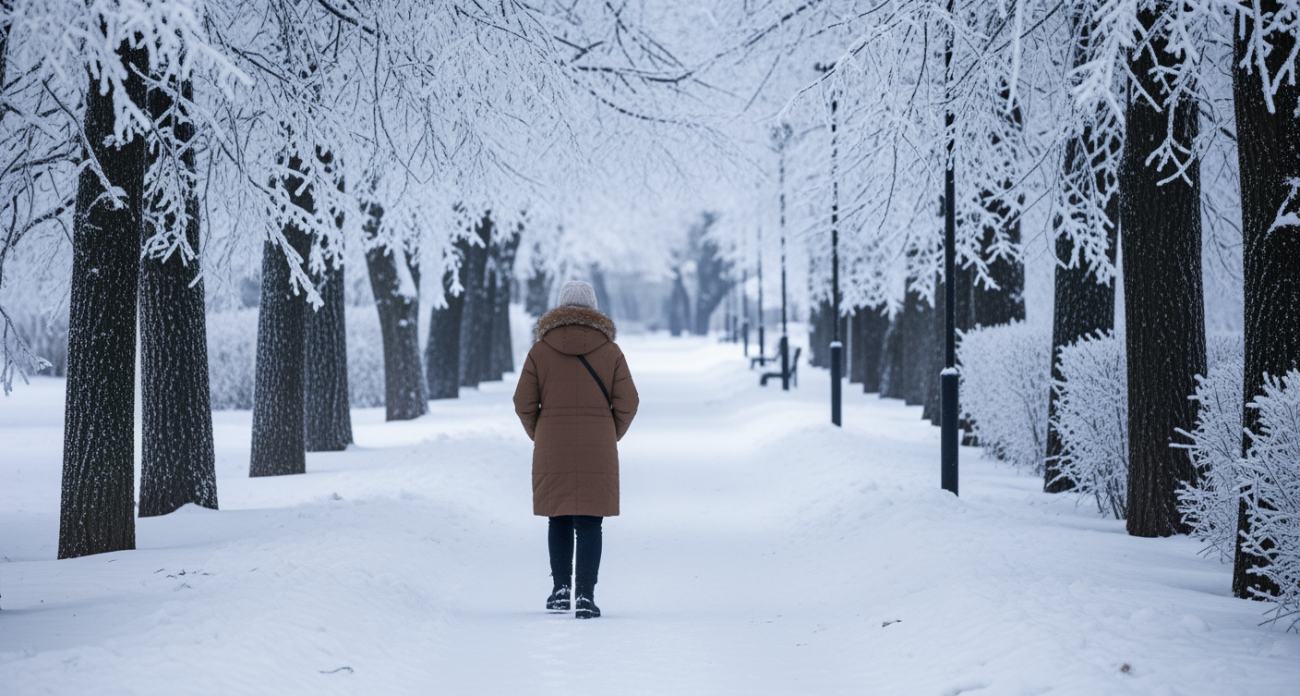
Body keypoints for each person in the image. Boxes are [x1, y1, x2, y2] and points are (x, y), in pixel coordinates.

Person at [513, 280, 639, 619]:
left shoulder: (540, 351)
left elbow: (522, 402)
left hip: (552, 442)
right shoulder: (610, 351)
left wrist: (539, 432)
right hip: (598, 443)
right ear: (594, 309)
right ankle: (585, 595)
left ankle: (560, 591)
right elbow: (629, 401)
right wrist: (611, 432)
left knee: (559, 518)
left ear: (559, 308)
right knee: (589, 522)